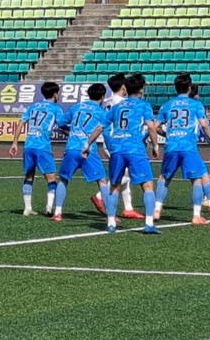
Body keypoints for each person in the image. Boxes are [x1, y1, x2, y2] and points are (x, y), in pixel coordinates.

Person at [82, 73, 160, 234]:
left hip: (116, 149)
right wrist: (155, 145)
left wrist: (88, 144)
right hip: (135, 149)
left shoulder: (117, 107)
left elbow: (100, 127)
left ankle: (111, 223)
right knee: (147, 185)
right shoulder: (144, 105)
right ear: (141, 89)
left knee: (114, 186)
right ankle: (149, 223)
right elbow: (152, 127)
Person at [153, 74, 210, 223]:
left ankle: (157, 210)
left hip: (171, 145)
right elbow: (204, 125)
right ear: (189, 87)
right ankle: (196, 215)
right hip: (188, 146)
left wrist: (166, 134)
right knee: (196, 179)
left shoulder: (167, 105)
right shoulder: (196, 105)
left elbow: (155, 127)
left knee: (164, 177)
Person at [89, 73, 145, 220]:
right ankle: (99, 196)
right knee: (125, 174)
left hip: (111, 140)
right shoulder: (123, 102)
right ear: (123, 87)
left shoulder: (109, 101)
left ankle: (128, 208)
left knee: (125, 173)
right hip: (118, 142)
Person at [52, 83, 111, 222]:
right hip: (89, 150)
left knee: (63, 179)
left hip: (72, 148)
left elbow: (60, 122)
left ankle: (58, 213)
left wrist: (69, 131)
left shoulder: (76, 107)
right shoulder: (101, 112)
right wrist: (111, 149)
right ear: (102, 97)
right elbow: (106, 133)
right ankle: (110, 214)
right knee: (102, 180)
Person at [9, 82, 63, 216]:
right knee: (51, 178)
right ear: (55, 94)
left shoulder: (33, 107)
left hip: (29, 146)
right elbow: (62, 124)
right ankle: (49, 207)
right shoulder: (56, 108)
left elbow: (21, 122)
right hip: (42, 147)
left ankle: (27, 208)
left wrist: (15, 142)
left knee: (29, 176)